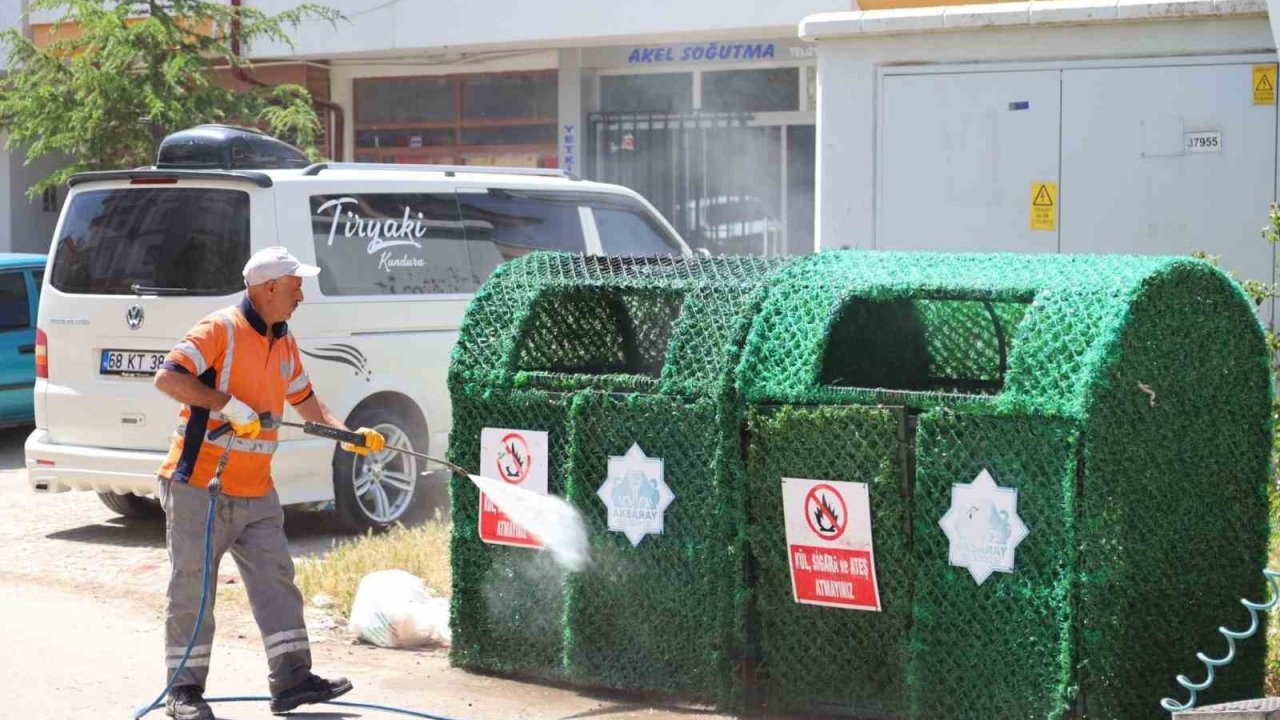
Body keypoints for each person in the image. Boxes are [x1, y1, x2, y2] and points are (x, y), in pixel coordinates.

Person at [152, 246, 386, 720]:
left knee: (277, 581)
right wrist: (228, 405)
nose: (302, 294)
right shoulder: (220, 329)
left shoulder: (283, 340)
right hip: (200, 485)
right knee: (193, 589)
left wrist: (349, 435)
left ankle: (292, 681)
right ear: (269, 287)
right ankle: (183, 693)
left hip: (256, 490)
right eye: (296, 285)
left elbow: (308, 402)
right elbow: (168, 378)